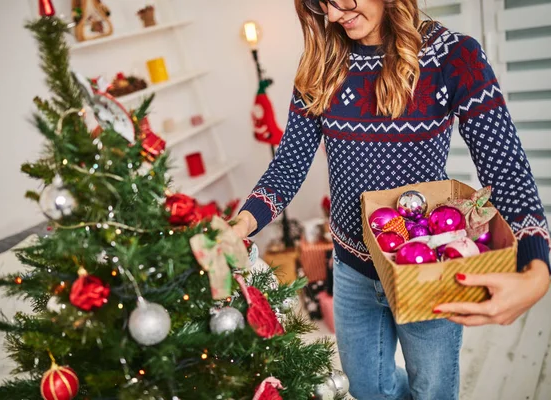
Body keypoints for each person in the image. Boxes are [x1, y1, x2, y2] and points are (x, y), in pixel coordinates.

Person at [232, 0, 551, 399]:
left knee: (432, 391)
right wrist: (242, 224)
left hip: (430, 274)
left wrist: (537, 268)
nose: (332, 15)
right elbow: (289, 164)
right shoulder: (321, 65)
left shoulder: (453, 56)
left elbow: (505, 167)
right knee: (368, 389)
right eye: (320, 3)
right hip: (351, 272)